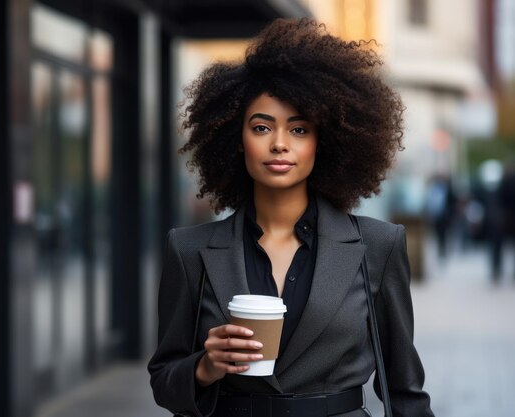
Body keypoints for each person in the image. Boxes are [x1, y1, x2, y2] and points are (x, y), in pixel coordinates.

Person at [148, 18, 434, 417]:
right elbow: (164, 381)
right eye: (262, 127)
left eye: (299, 130)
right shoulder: (189, 249)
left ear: (325, 141)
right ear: (235, 139)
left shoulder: (377, 247)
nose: (279, 144)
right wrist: (204, 367)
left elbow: (405, 392)